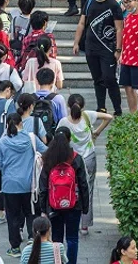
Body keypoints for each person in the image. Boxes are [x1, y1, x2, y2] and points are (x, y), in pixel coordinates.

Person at [56, 94, 111, 236]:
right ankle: (85, 225)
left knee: (70, 188)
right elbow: (109, 117)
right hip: (89, 158)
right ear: (83, 106)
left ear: (68, 107)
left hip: (71, 160)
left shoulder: (64, 122)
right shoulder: (88, 115)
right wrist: (97, 132)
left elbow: (58, 138)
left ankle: (70, 218)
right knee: (88, 189)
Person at [0, 113, 46, 257]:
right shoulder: (31, 138)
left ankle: (15, 247)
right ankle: (32, 239)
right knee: (31, 213)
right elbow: (46, 151)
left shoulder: (2, 142)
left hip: (10, 185)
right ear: (21, 123)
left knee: (12, 216)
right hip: (29, 184)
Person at [37, 128, 89, 264]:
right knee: (72, 238)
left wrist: (43, 209)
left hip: (53, 205)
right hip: (74, 204)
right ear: (69, 139)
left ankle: (58, 262)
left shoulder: (48, 159)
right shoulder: (76, 158)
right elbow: (83, 184)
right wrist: (85, 206)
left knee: (56, 238)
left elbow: (43, 188)